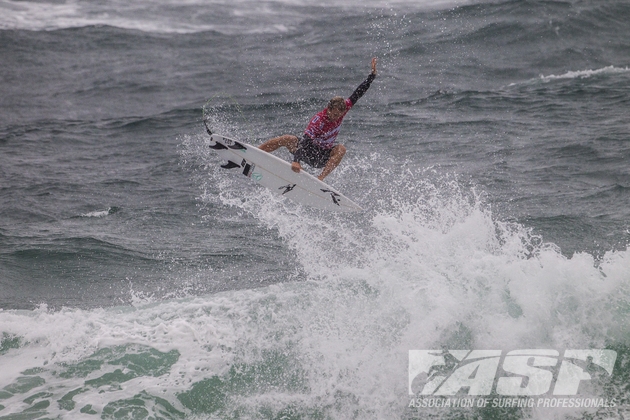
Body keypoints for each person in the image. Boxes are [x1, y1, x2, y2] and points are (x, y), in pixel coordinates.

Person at [259, 57, 378, 181]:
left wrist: (372, 75)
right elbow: (305, 141)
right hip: (308, 151)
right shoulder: (319, 120)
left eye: (339, 115)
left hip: (322, 156)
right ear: (328, 109)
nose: (336, 117)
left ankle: (320, 179)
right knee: (288, 138)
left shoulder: (344, 108)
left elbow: (358, 93)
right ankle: (257, 152)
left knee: (341, 149)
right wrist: (296, 161)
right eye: (334, 114)